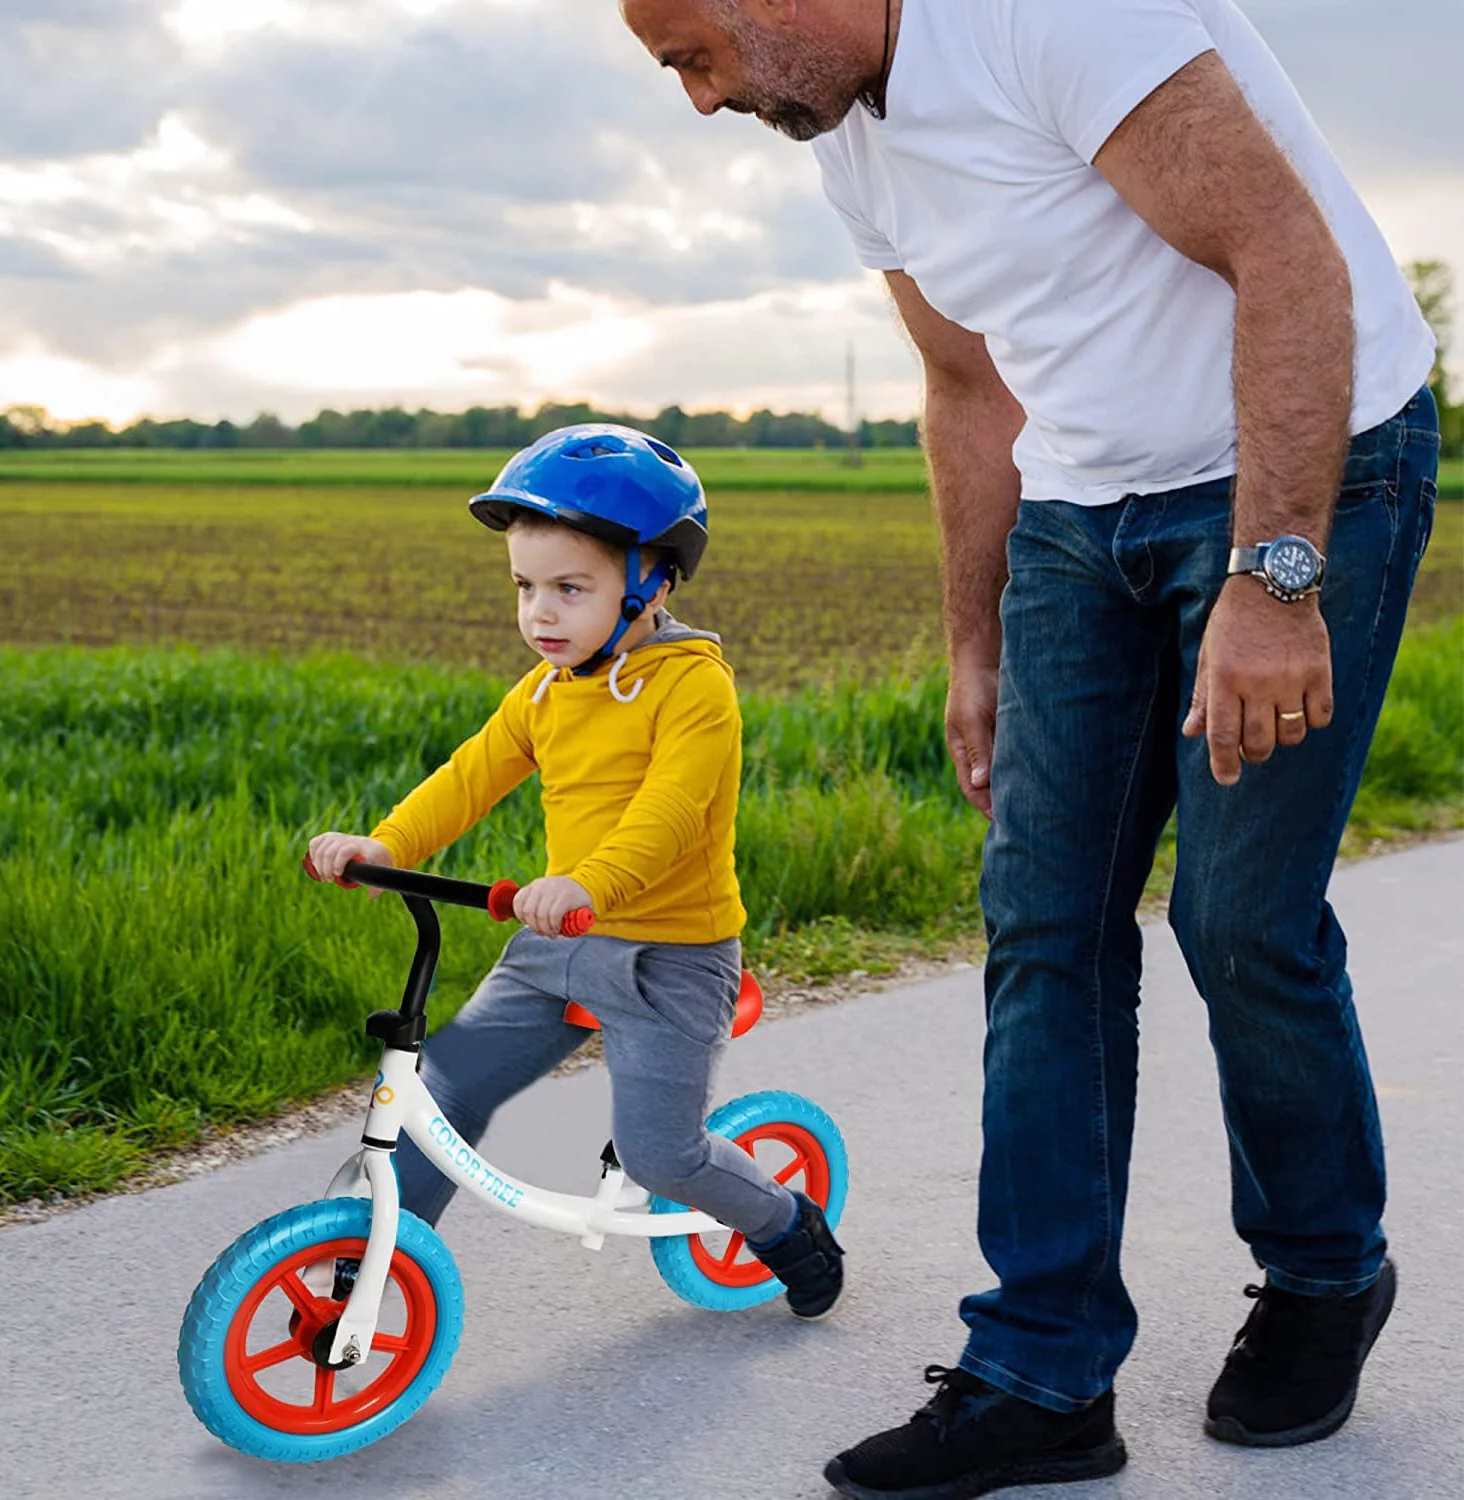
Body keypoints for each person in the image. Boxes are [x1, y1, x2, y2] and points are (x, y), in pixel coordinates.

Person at [619, 0, 1438, 1494]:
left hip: (1307, 474)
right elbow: (967, 385)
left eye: (695, 56)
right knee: (1044, 928)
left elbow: (1287, 255)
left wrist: (1273, 578)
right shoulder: (850, 138)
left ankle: (1326, 1274)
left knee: (1239, 920)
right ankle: (1043, 1369)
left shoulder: (1050, 15)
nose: (698, 98)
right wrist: (977, 643)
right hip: (1083, 510)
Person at [307, 423, 845, 1319]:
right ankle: (364, 1264)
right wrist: (387, 845)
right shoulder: (546, 692)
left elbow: (669, 815)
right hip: (556, 944)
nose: (540, 613)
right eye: (525, 587)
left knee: (660, 1156)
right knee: (445, 1088)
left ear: (652, 582)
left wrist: (592, 883)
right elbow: (471, 774)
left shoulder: (693, 688)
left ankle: (787, 1223)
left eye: (570, 588)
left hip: (672, 954)